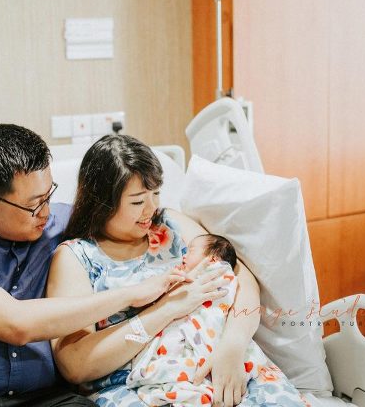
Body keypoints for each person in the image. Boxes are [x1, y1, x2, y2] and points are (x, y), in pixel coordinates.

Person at [0, 124, 225, 406]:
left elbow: (215, 255)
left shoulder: (57, 220)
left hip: (47, 398)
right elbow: (16, 324)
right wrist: (135, 294)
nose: (46, 211)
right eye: (34, 204)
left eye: (48, 194)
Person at [47, 134, 262, 407]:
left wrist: (233, 344)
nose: (151, 209)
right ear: (101, 202)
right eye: (137, 202)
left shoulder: (171, 224)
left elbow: (239, 277)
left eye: (156, 194)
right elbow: (75, 363)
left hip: (223, 364)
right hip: (141, 388)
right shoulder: (77, 257)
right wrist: (167, 309)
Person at [126, 233, 309, 407]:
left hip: (217, 334)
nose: (183, 255)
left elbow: (221, 301)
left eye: (190, 250)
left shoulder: (219, 274)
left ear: (212, 260)